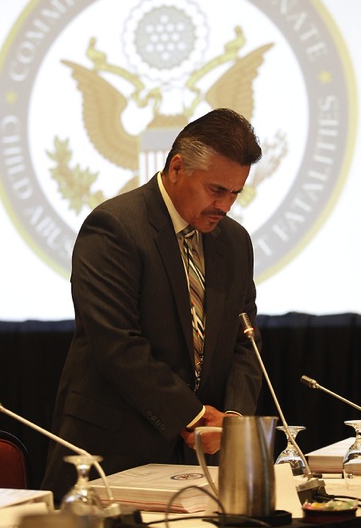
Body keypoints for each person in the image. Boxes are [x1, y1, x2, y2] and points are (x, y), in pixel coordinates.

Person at [42, 108, 263, 501]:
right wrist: (193, 417)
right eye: (216, 190)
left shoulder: (234, 241)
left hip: (199, 462)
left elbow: (244, 340)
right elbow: (118, 345)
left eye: (235, 193)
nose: (226, 205)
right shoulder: (114, 227)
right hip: (112, 455)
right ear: (177, 167)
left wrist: (231, 420)